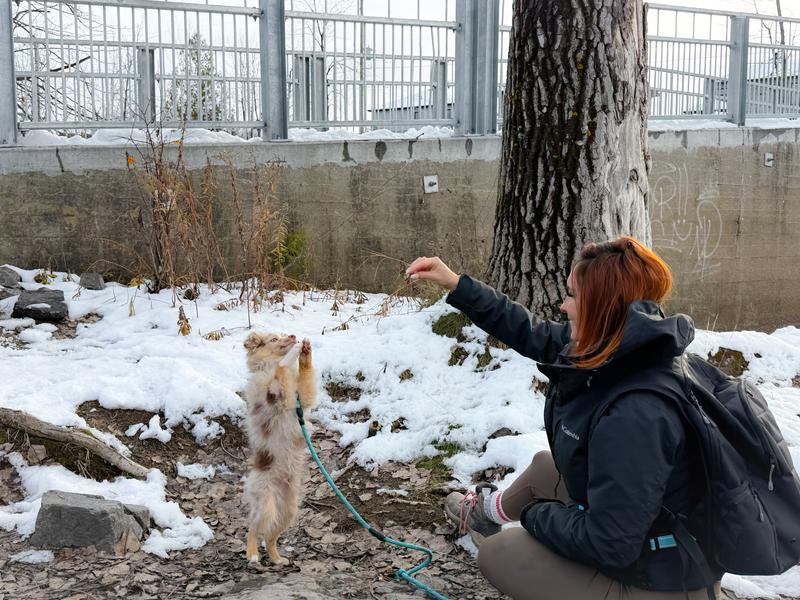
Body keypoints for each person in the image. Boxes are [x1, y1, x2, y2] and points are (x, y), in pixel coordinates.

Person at [405, 237, 720, 600]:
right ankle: (484, 513)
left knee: (501, 554)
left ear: (602, 308)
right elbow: (530, 331)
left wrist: (537, 515)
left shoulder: (637, 412)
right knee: (545, 467)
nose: (562, 304)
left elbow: (611, 544)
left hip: (666, 582)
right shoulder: (620, 348)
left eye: (572, 295)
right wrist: (456, 284)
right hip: (654, 543)